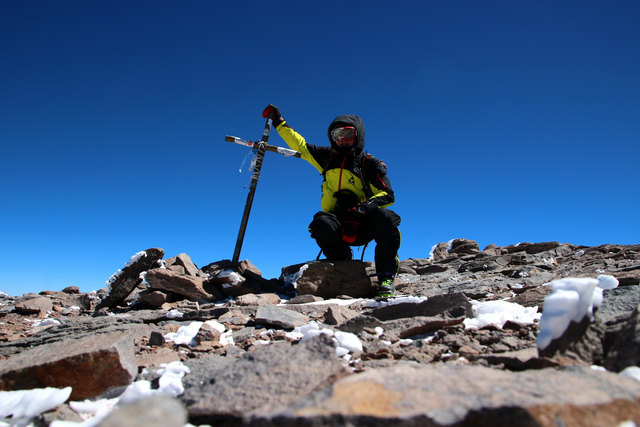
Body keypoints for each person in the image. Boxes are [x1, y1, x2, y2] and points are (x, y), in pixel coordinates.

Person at [263, 104, 401, 297]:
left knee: (387, 219)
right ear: (331, 137)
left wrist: (363, 208)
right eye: (338, 136)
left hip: (364, 220)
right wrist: (279, 122)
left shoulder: (369, 163)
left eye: (348, 135)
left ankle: (386, 278)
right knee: (320, 223)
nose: (343, 140)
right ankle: (342, 260)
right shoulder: (326, 158)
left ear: (358, 136)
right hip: (337, 222)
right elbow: (299, 145)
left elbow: (387, 194)